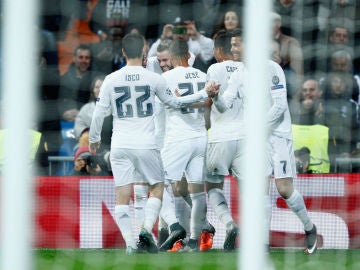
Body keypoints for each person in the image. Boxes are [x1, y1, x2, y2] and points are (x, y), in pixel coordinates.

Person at [89, 33, 218, 254]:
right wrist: (203, 92)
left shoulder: (111, 79)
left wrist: (94, 140)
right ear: (144, 52)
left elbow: (99, 113)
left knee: (123, 196)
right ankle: (151, 230)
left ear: (122, 53)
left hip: (120, 144)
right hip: (148, 143)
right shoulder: (154, 79)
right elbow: (176, 102)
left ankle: (132, 245)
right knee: (157, 188)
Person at [207, 47, 318, 255]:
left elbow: (279, 107)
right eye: (231, 45)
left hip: (278, 135)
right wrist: (214, 97)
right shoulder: (239, 74)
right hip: (257, 140)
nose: (233, 49)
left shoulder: (272, 68)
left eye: (237, 44)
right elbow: (225, 106)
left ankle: (309, 227)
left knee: (284, 189)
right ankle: (263, 245)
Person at [157, 39, 214, 252]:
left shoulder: (166, 78)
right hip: (200, 137)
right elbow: (209, 101)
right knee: (196, 192)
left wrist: (183, 100)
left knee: (155, 183)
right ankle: (195, 237)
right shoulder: (203, 75)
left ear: (171, 57)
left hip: (178, 139)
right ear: (189, 56)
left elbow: (168, 104)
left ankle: (174, 226)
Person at [203, 28, 245, 252]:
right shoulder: (248, 69)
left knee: (212, 185)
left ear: (220, 50)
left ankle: (229, 224)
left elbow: (209, 102)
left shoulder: (215, 68)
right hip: (246, 137)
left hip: (221, 136)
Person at [58, 44, 97, 122]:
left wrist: (82, 114)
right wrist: (62, 113)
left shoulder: (96, 81)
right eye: (80, 57)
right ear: (74, 59)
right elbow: (57, 102)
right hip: (65, 123)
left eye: (87, 58)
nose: (84, 60)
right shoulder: (62, 79)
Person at [272, 12, 304, 98]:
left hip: (286, 85)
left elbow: (298, 72)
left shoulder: (291, 42)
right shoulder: (259, 43)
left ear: (278, 24)